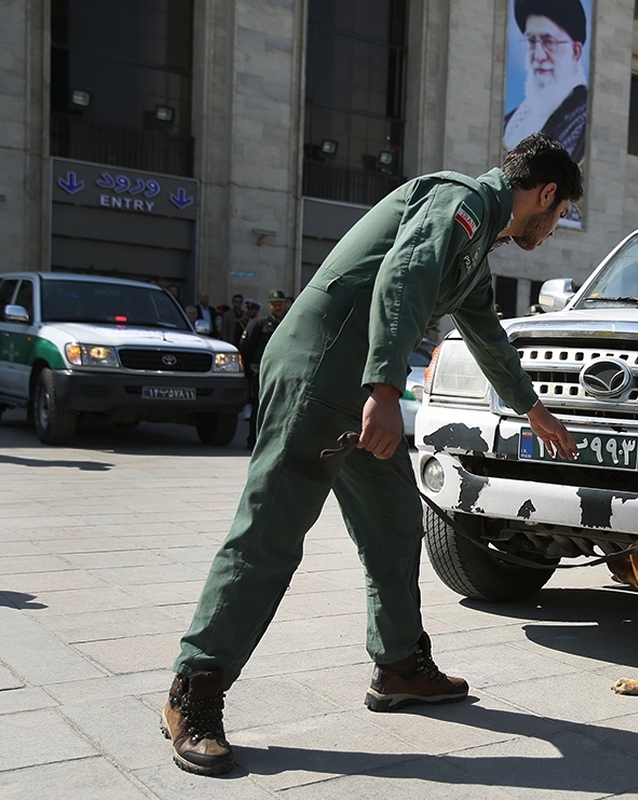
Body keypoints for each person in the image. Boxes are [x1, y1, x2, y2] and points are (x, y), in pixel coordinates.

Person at [161, 133, 584, 777]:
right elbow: (403, 276)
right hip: (323, 376)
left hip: (359, 390)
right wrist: (385, 389)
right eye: (559, 216)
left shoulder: (473, 248)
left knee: (393, 520)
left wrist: (532, 409)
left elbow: (486, 334)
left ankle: (400, 667)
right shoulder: (460, 203)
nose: (554, 231)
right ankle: (193, 692)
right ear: (546, 193)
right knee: (271, 533)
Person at [503, 0, 588, 163]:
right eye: (532, 42)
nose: (539, 56)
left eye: (549, 42)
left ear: (575, 51)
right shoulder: (511, 121)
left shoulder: (582, 118)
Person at [239, 290, 289, 451]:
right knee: (260, 407)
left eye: (280, 304)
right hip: (261, 373)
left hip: (284, 373)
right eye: (274, 304)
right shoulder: (259, 324)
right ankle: (253, 441)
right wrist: (250, 370)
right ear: (269, 306)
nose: (278, 307)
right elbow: (245, 348)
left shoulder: (290, 322)